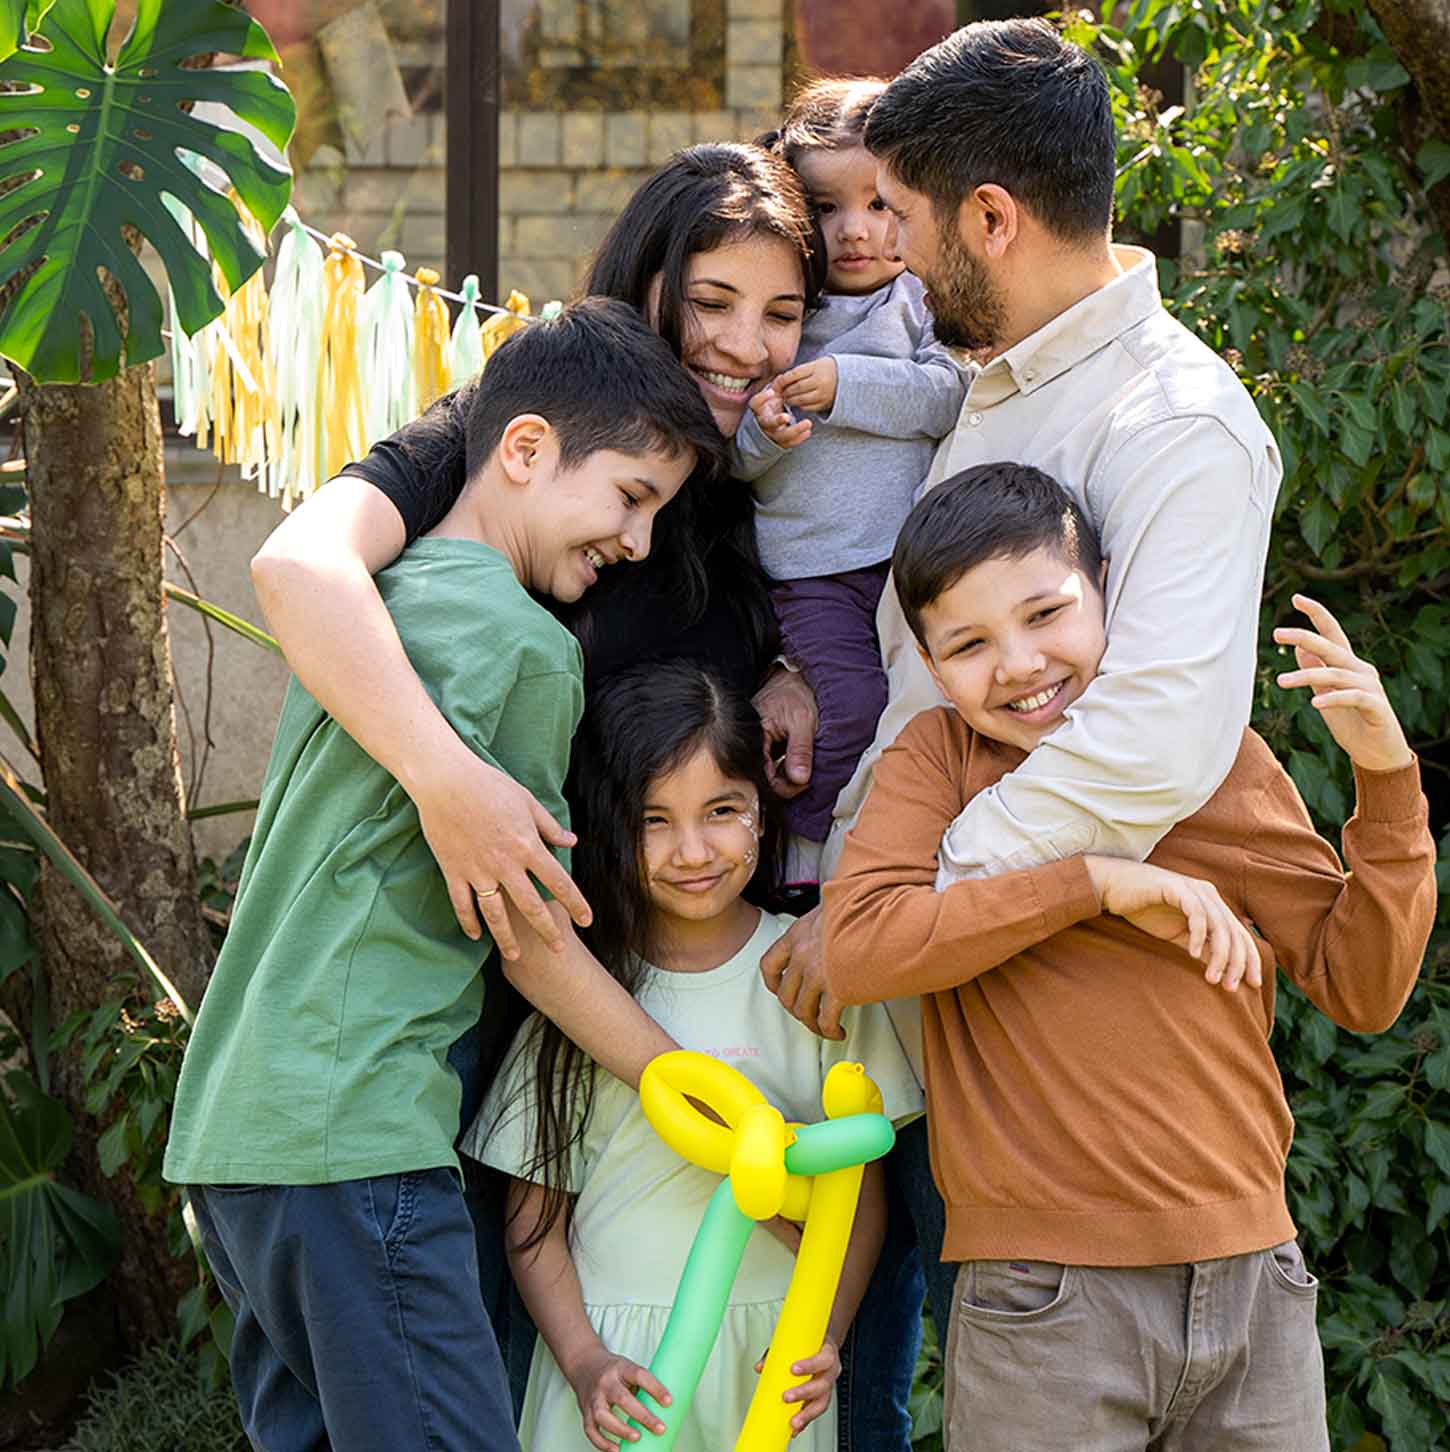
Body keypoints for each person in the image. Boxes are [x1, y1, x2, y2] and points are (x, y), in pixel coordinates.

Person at [249, 141, 931, 1452]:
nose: (742, 342)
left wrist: (781, 670)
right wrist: (446, 783)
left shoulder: (728, 494)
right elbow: (298, 570)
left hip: (723, 1008)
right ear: (650, 285)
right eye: (714, 301)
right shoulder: (506, 439)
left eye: (781, 311)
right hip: (521, 1018)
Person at [759, 15, 1283, 1367]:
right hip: (911, 985)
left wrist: (905, 895)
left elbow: (1154, 742)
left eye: (908, 218)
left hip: (1052, 1048)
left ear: (988, 217)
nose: (893, 252)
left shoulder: (1170, 423)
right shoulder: (994, 388)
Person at [163, 300, 723, 1452]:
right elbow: (528, 928)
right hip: (357, 1130)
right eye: (630, 495)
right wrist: (679, 1080)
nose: (640, 542)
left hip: (237, 1141)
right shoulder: (525, 649)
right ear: (522, 449)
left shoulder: (379, 607)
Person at [823, 463, 1436, 1451]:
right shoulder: (937, 760)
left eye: (1045, 615)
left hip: (1252, 1280)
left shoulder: (1211, 756)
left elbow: (1362, 986)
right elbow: (859, 949)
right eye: (970, 644)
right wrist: (1095, 883)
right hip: (1042, 1298)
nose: (1017, 663)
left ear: (1107, 592)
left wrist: (1386, 776)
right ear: (932, 668)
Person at [466, 662, 922, 1452]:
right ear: (613, 824)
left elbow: (863, 1197)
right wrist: (582, 1361)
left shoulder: (812, 975)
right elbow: (534, 1219)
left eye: (722, 810)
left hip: (770, 1369)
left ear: (762, 808)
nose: (692, 850)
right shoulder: (591, 996)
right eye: (654, 820)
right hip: (622, 1373)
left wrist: (827, 1335)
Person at [733, 78, 969, 875]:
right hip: (814, 575)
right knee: (847, 712)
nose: (855, 231)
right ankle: (809, 864)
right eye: (826, 209)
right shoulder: (782, 311)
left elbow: (951, 394)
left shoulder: (921, 303)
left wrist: (846, 385)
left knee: (922, 715)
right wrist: (765, 434)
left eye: (877, 204)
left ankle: (890, 864)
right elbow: (734, 458)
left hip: (911, 565)